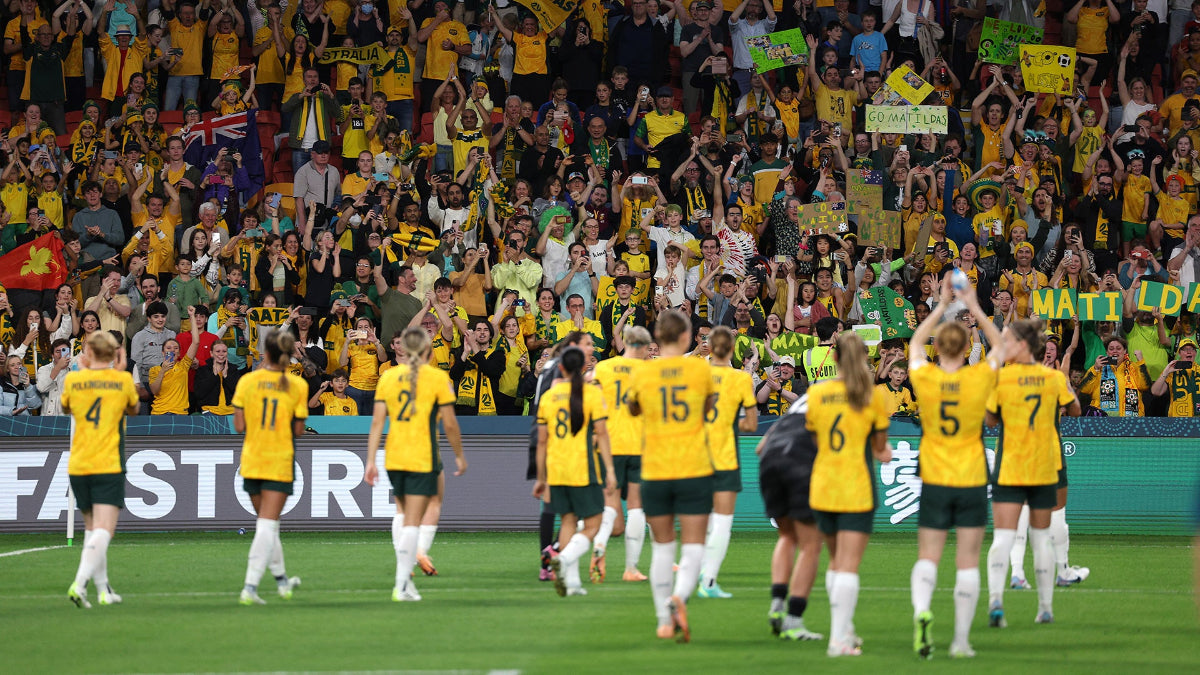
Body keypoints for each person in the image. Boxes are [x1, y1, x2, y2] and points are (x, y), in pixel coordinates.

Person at [906, 274, 1005, 659]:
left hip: (934, 476)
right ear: (966, 347)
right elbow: (1000, 345)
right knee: (967, 561)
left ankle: (922, 609)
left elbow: (915, 343)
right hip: (971, 477)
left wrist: (941, 305)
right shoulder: (978, 378)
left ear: (938, 347)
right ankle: (961, 640)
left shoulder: (926, 377)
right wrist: (974, 307)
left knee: (928, 555)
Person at [984, 319, 1082, 628]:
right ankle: (1045, 608)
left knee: (1003, 537)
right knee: (1040, 539)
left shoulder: (1001, 378)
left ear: (1022, 345)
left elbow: (990, 421)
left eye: (1008, 341)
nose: (1004, 346)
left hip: (1011, 466)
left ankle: (996, 600)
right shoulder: (1053, 377)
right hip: (1043, 466)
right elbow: (1075, 410)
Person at [627, 309, 716, 642]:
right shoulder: (700, 369)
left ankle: (664, 622)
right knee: (694, 546)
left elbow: (633, 409)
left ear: (657, 338)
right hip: (693, 466)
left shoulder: (643, 373)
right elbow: (708, 409)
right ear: (685, 337)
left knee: (663, 548)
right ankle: (679, 595)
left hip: (655, 468)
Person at [806, 331, 893, 657]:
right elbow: (880, 448)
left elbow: (816, 441)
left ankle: (845, 630)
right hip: (856, 487)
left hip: (824, 484)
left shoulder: (817, 393)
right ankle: (838, 639)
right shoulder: (870, 396)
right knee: (848, 565)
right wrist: (883, 453)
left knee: (834, 562)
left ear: (835, 357)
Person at [365, 327, 466, 602]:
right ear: (428, 351)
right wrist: (459, 455)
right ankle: (402, 584)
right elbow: (450, 423)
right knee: (417, 516)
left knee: (401, 512)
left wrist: (371, 460)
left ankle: (406, 582)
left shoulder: (388, 377)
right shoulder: (436, 378)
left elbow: (377, 422)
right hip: (423, 453)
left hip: (394, 453)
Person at [232, 329, 308, 605]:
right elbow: (298, 430)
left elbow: (238, 425)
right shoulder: (297, 385)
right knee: (267, 524)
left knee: (267, 524)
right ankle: (250, 587)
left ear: (265, 353)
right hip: (278, 460)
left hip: (252, 459)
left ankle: (281, 580)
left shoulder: (248, 381)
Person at [63, 331, 139, 609]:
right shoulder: (122, 380)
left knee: (92, 529)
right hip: (107, 462)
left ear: (89, 353)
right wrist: (118, 372)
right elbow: (134, 409)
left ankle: (103, 590)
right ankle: (79, 583)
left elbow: (66, 408)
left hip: (79, 462)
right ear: (115, 353)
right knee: (105, 530)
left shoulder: (73, 380)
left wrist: (86, 374)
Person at [534, 345, 616, 597]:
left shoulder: (549, 397)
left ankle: (571, 582)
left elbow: (542, 441)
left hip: (556, 469)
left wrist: (541, 477)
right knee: (593, 524)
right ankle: (565, 558)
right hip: (583, 468)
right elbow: (602, 433)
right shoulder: (590, 394)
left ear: (560, 367)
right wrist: (610, 469)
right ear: (583, 367)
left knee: (568, 521)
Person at [697, 326, 758, 599]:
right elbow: (752, 424)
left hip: (697, 455)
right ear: (732, 349)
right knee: (722, 521)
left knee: (701, 517)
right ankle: (708, 581)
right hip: (724, 455)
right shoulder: (741, 378)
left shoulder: (697, 374)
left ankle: (693, 571)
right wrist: (730, 424)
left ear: (709, 348)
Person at [590, 325, 652, 583]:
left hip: (609, 444)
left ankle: (599, 544)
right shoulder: (649, 372)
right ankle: (631, 569)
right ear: (645, 346)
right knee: (637, 506)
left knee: (609, 504)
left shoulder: (603, 368)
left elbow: (592, 401)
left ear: (624, 341)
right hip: (639, 444)